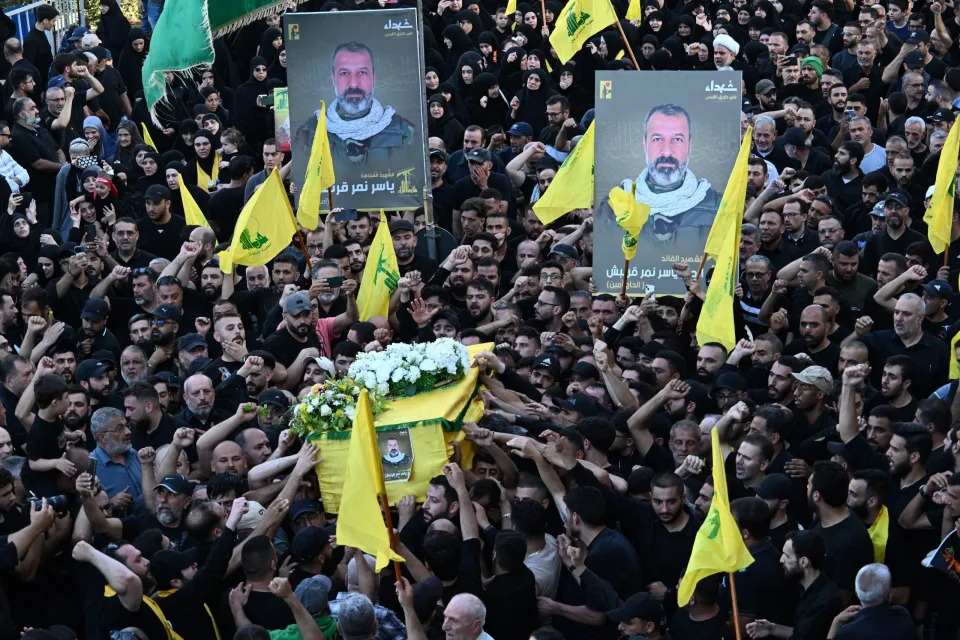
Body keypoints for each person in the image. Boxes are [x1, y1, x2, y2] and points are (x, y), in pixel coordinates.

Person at [296, 41, 414, 166]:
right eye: (344, 73)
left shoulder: (404, 131)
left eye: (362, 73)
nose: (353, 84)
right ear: (333, 78)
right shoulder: (309, 132)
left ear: (373, 77)